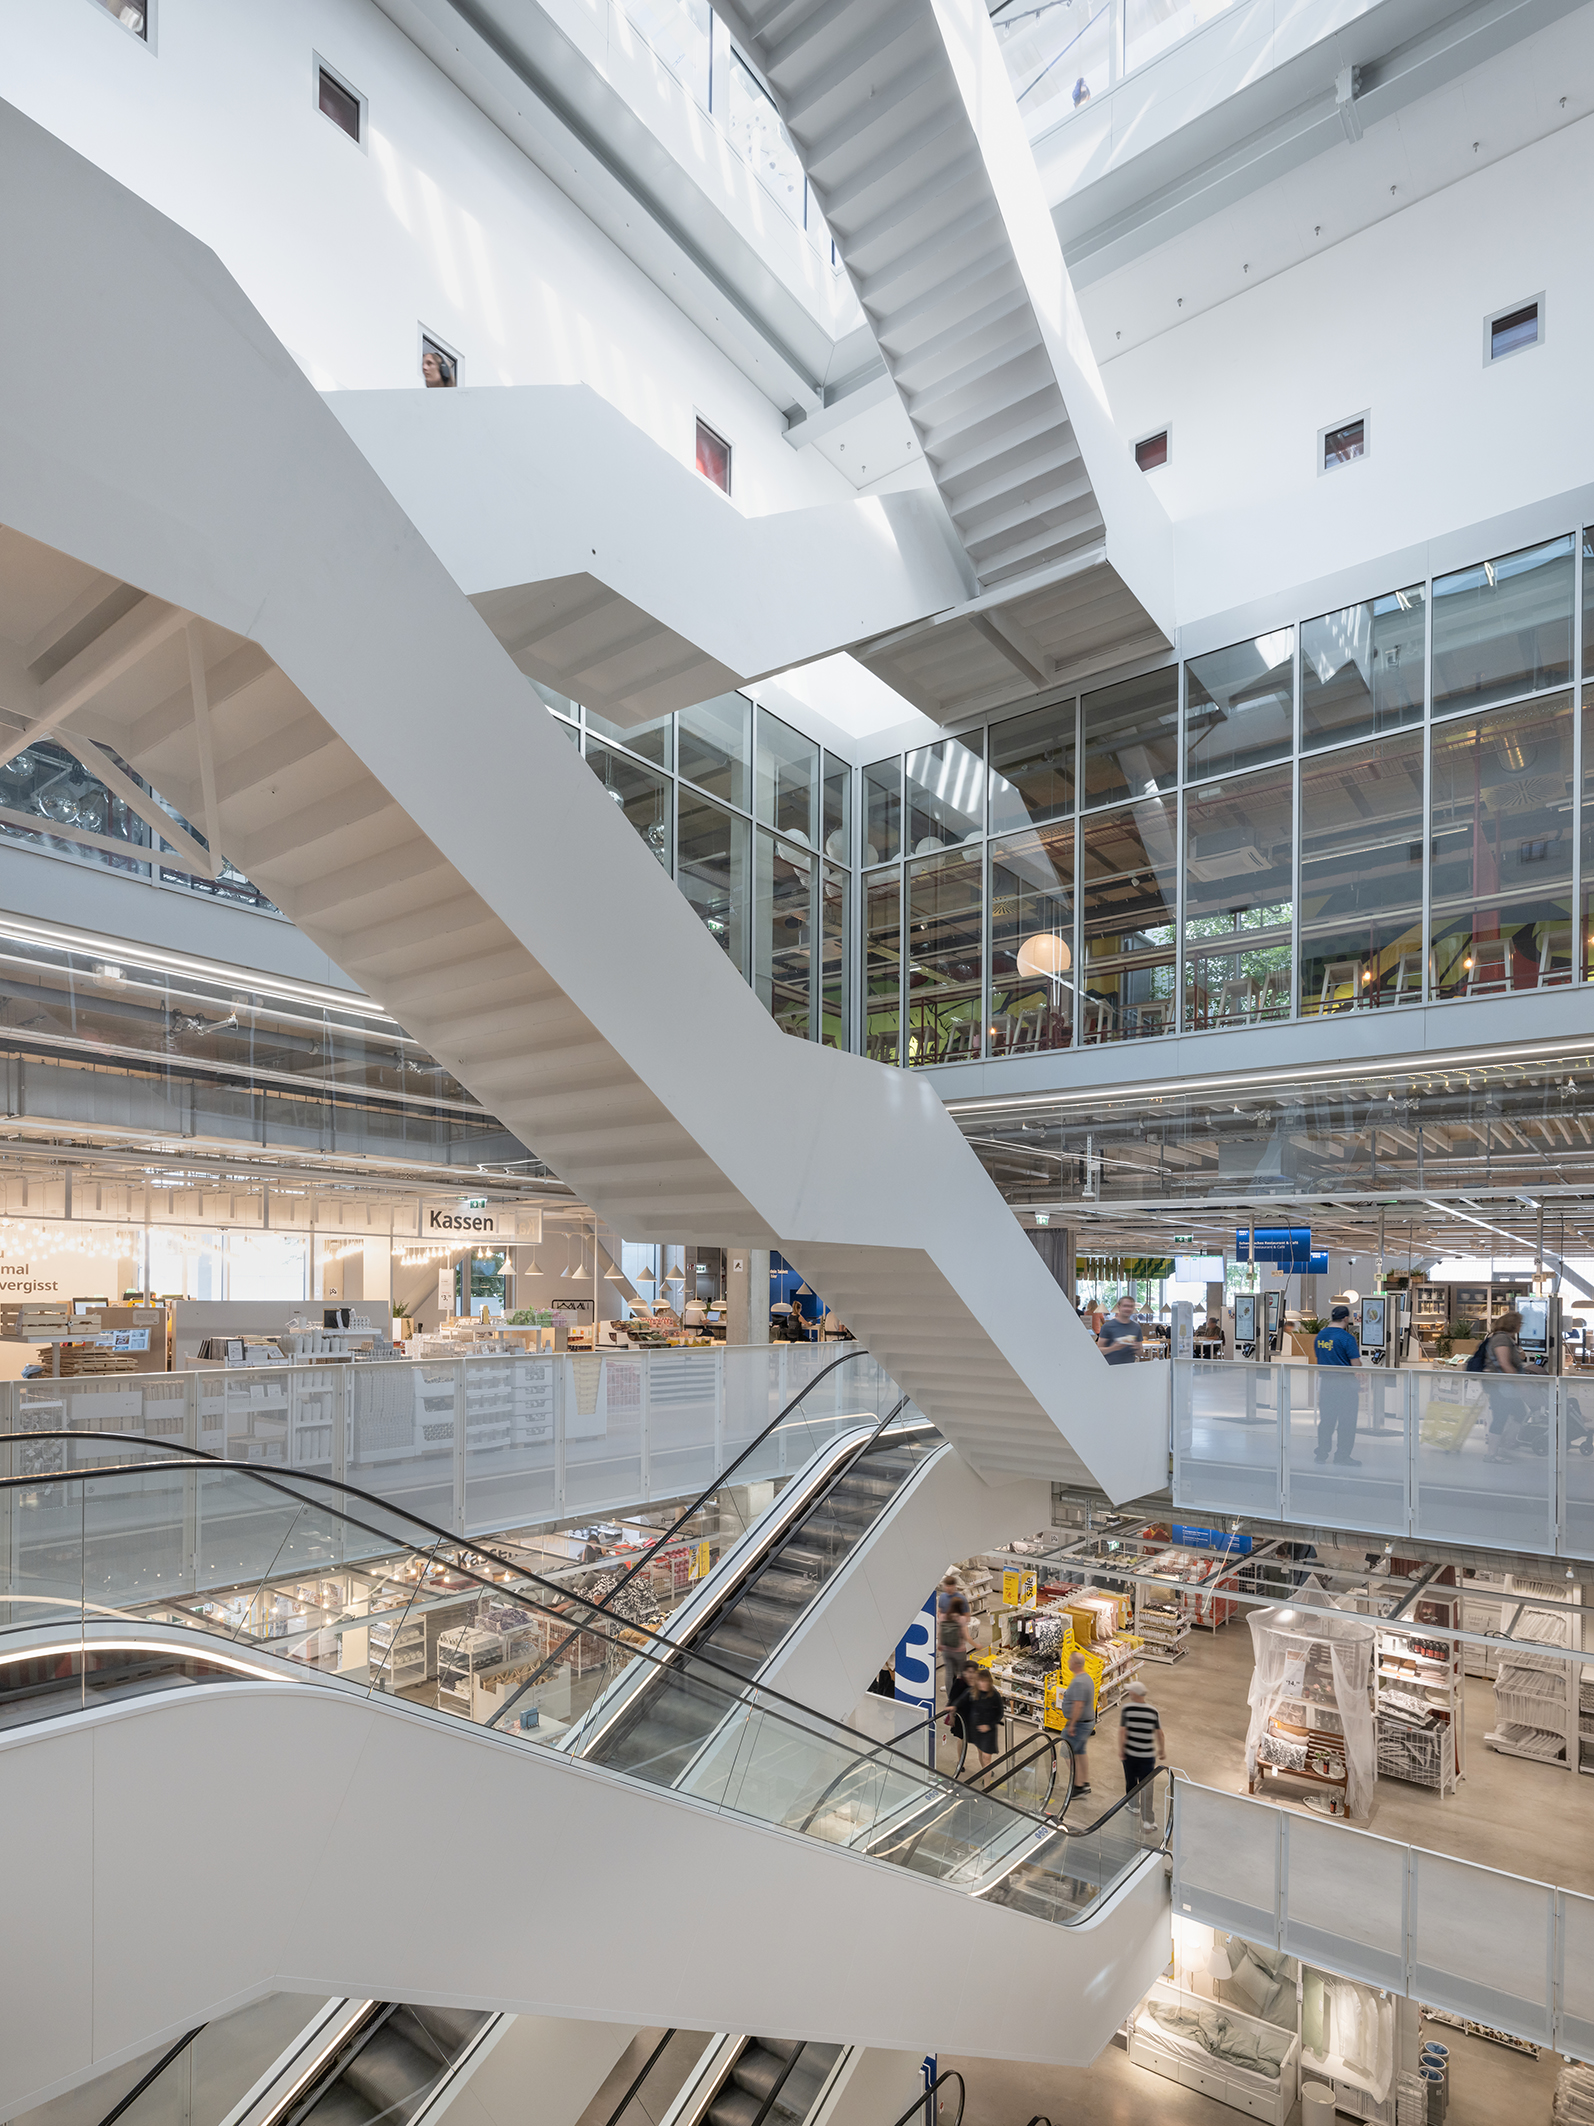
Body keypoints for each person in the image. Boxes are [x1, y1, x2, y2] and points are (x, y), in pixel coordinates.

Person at [1312, 1304, 1362, 1466]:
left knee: (1326, 1420)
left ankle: (1322, 1453)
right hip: (1345, 1385)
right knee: (1347, 1422)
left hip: (1326, 1384)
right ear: (1346, 1318)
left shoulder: (1320, 1336)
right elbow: (1356, 1364)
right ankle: (1342, 1456)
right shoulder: (1347, 1338)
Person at [1117, 1678, 1166, 1833]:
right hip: (1147, 1756)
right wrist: (1162, 1750)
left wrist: (1121, 1749)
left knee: (1131, 1781)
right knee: (1147, 1787)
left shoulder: (1127, 1709)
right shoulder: (1153, 1711)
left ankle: (1134, 1806)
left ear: (1135, 1694)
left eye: (1130, 1691)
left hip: (1130, 1754)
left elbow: (1122, 1731)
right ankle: (1148, 1821)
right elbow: (1160, 1733)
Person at [1483, 1310, 1525, 1461]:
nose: (1521, 1326)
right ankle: (1492, 1453)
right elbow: (1504, 1363)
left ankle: (1504, 1443)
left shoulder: (1504, 1338)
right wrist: (1519, 1382)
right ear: (1513, 1324)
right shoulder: (1502, 1339)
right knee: (1501, 1417)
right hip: (1500, 1385)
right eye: (1520, 1323)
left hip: (1501, 1385)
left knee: (1518, 1412)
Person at [948, 1663, 1005, 1772]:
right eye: (968, 1672)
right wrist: (952, 1716)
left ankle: (985, 1768)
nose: (970, 1675)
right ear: (964, 1672)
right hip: (962, 1716)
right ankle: (960, 1762)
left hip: (977, 1718)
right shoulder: (960, 1682)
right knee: (961, 1739)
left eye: (973, 1672)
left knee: (981, 1747)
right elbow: (953, 1700)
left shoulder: (980, 1683)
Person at [1060, 1649, 1096, 1801]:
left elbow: (1078, 1705)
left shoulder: (1079, 1682)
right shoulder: (1086, 1678)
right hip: (1086, 1722)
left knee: (1066, 1752)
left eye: (1069, 1661)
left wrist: (1072, 1725)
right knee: (1080, 1751)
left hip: (1079, 1724)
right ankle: (1084, 1782)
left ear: (1074, 1663)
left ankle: (1077, 1785)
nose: (1068, 1663)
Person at [936, 1571, 972, 1696]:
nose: (948, 1588)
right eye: (946, 1586)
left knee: (953, 1671)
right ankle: (953, 1694)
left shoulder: (961, 1599)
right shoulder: (943, 1597)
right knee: (953, 1671)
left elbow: (967, 1617)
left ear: (954, 1586)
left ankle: (953, 1694)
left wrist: (950, 1621)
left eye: (950, 1586)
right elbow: (940, 1612)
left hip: (952, 1641)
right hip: (952, 1643)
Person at [1097, 1294, 1143, 1366]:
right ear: (1119, 1307)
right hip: (1110, 1368)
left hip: (1130, 1367)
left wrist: (1137, 1349)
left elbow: (1140, 1353)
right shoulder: (1107, 1326)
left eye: (1131, 1306)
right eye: (1125, 1306)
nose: (1128, 1309)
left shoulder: (1136, 1327)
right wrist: (1113, 1348)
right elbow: (1098, 1351)